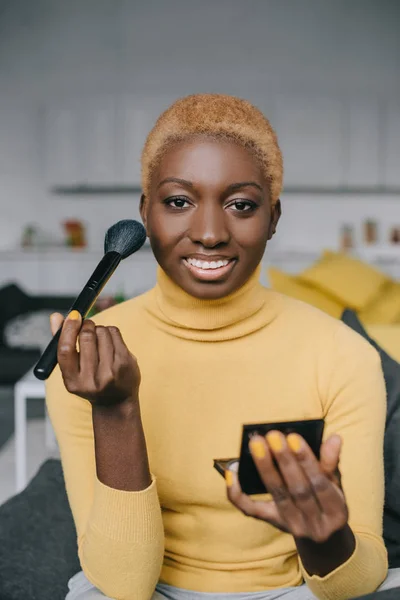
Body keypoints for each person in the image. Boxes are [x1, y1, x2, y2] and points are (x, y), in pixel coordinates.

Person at [46, 94, 400, 600]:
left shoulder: (344, 356)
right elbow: (123, 585)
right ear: (145, 214)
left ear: (273, 217)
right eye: (178, 202)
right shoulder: (91, 360)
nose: (210, 234)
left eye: (241, 205)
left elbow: (358, 578)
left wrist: (323, 538)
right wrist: (117, 409)